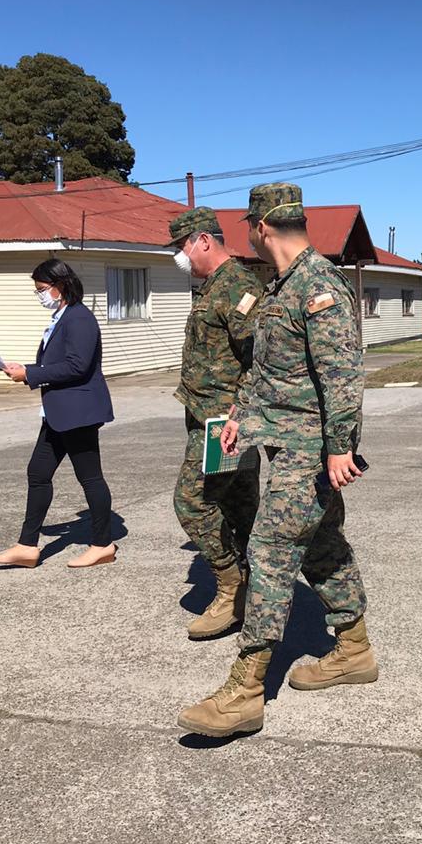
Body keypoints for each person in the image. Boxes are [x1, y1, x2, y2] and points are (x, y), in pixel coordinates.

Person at [177, 182, 376, 738]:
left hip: (309, 452)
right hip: (283, 441)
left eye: (249, 227)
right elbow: (267, 370)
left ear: (260, 227)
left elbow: (342, 376)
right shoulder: (281, 286)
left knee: (267, 550)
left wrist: (339, 447)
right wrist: (240, 415)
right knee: (323, 546)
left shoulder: (317, 285)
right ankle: (354, 649)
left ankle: (245, 692)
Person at [167, 206, 263, 639]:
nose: (179, 256)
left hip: (224, 425)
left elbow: (260, 360)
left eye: (181, 246)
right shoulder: (213, 286)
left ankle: (232, 587)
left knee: (192, 502)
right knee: (240, 508)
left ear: (203, 240)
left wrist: (239, 416)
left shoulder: (238, 286)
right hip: (208, 416)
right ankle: (258, 592)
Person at [0, 259, 119, 569]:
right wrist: (26, 369)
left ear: (61, 286)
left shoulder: (79, 318)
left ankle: (103, 545)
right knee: (38, 473)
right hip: (59, 412)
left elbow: (77, 366)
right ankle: (27, 546)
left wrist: (30, 374)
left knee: (90, 478)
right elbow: (57, 363)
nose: (40, 295)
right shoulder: (62, 317)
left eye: (42, 289)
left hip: (78, 412)